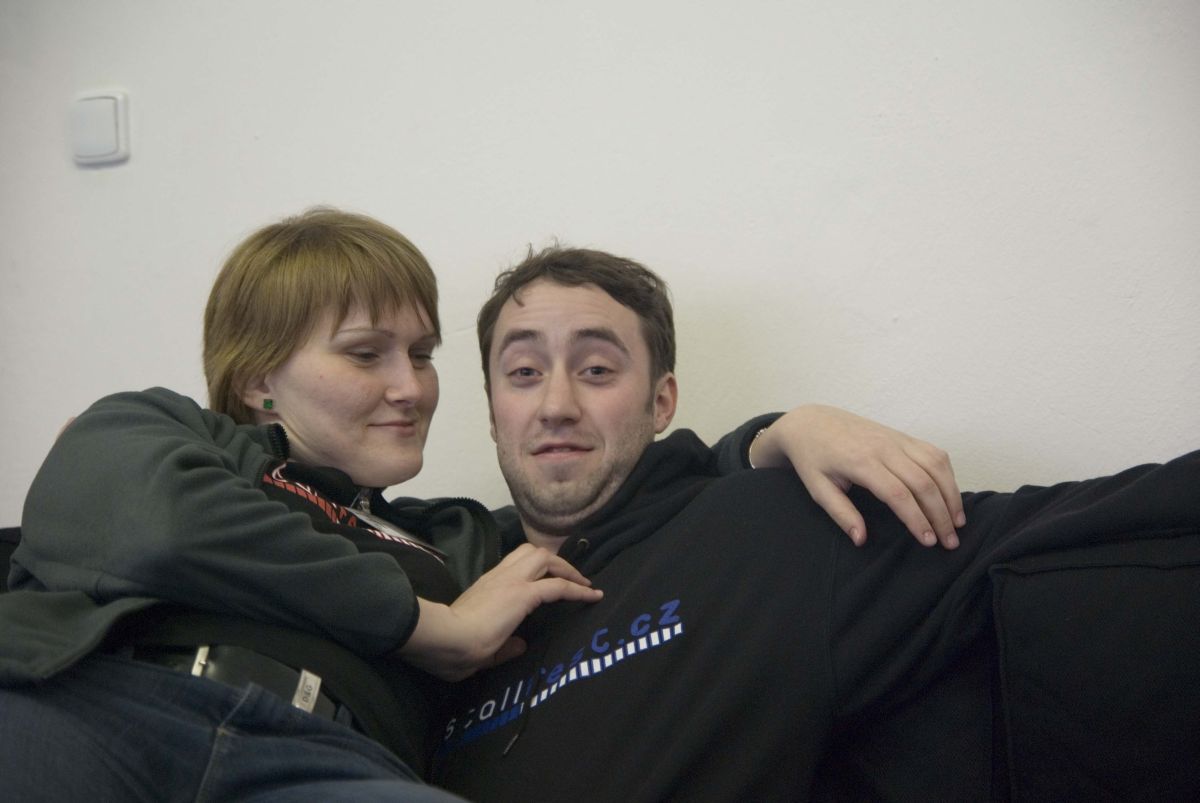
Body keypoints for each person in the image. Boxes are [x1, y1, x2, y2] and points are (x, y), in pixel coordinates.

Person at [0, 208, 960, 800]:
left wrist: (776, 433)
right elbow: (154, 522)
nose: (411, 386)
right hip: (97, 702)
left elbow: (624, 507)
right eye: (367, 353)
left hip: (322, 767)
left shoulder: (457, 540)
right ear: (258, 380)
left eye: (422, 354)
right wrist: (425, 624)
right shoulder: (170, 433)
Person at [427, 245, 1200, 801]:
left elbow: (1076, 525)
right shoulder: (440, 601)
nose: (556, 403)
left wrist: (768, 439)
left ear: (662, 401)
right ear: (493, 409)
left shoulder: (765, 530)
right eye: (523, 372)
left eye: (597, 369)